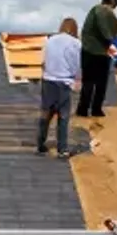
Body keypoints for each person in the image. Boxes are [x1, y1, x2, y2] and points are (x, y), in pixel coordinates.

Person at [38, 18, 81, 158]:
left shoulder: (50, 40)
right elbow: (77, 64)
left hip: (48, 81)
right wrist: (77, 79)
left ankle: (40, 144)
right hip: (64, 82)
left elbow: (43, 61)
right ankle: (62, 149)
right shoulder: (75, 43)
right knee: (63, 116)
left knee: (46, 113)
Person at [75, 0, 117, 118]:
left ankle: (83, 109)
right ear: (112, 1)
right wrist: (111, 40)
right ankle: (96, 109)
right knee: (100, 83)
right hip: (100, 52)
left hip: (87, 50)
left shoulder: (94, 10)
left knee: (88, 82)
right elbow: (109, 32)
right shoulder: (104, 11)